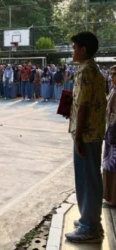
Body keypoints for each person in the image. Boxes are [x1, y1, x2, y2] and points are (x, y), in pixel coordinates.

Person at [65, 31, 107, 243]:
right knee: (92, 177)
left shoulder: (85, 72)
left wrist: (78, 136)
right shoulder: (94, 70)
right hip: (95, 132)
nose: (73, 51)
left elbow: (83, 106)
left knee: (86, 180)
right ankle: (91, 221)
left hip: (86, 134)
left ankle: (89, 227)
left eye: (74, 47)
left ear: (83, 49)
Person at [103, 65, 116, 208]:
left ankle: (113, 197)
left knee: (113, 165)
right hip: (110, 131)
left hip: (114, 133)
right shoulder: (113, 90)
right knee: (108, 164)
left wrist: (112, 132)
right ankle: (109, 196)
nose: (111, 78)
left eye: (114, 75)